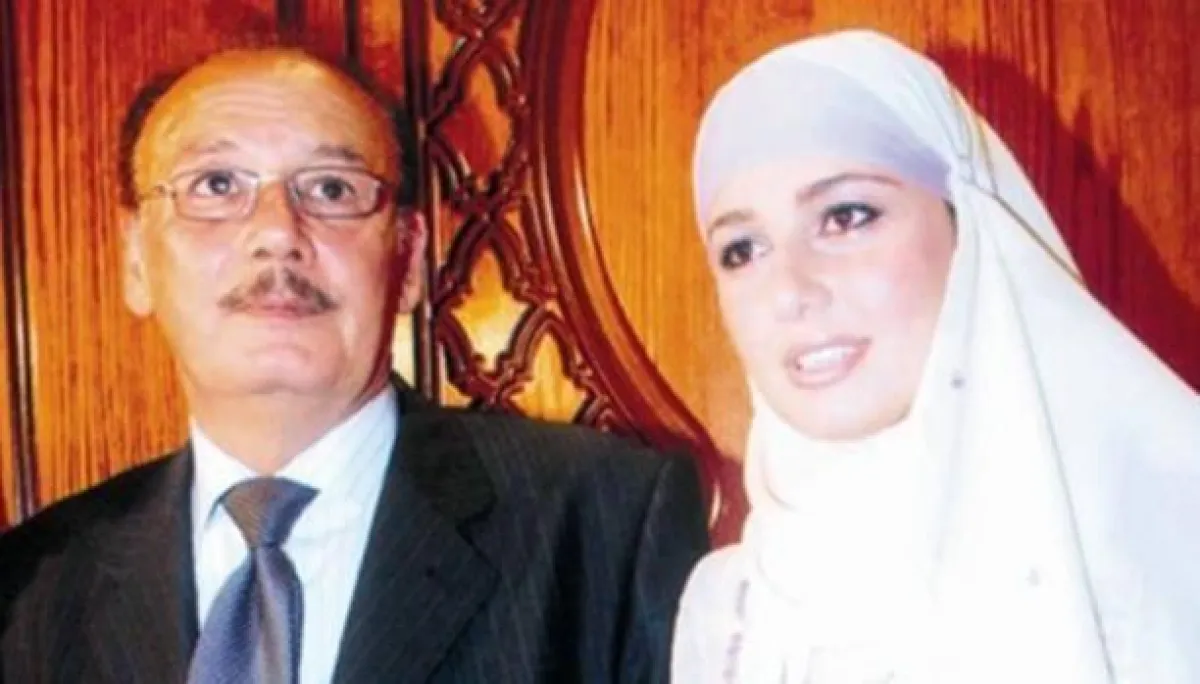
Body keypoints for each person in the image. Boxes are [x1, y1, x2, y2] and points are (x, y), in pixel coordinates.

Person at [0, 45, 709, 684]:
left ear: (408, 260)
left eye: (332, 189)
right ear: (134, 261)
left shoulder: (604, 523)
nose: (277, 232)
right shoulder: (33, 586)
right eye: (215, 185)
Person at [671, 28, 1200, 684]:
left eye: (846, 217)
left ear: (967, 229)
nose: (789, 292)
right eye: (742, 251)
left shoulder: (1167, 541)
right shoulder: (727, 615)